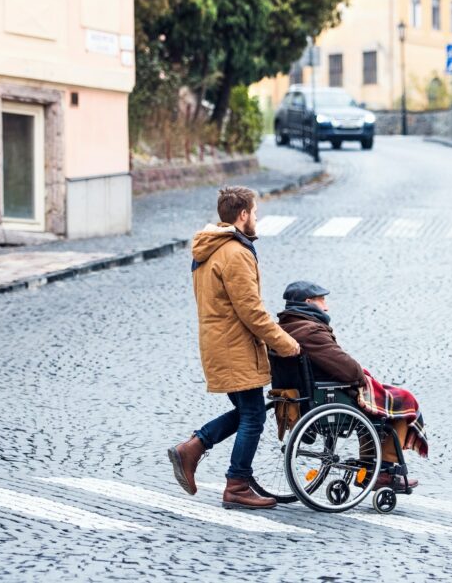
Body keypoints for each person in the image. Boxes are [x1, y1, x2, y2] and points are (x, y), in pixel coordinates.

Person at [168, 186, 300, 510]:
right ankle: (237, 483)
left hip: (220, 343)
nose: (257, 219)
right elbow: (251, 311)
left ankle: (194, 447)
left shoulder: (211, 248)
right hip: (234, 347)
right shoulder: (235, 253)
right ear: (243, 215)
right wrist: (287, 344)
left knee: (246, 411)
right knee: (254, 416)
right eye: (255, 213)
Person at [276, 281, 428, 490]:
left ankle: (371, 468)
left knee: (380, 407)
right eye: (322, 300)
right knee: (403, 401)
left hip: (307, 394)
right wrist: (361, 376)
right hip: (330, 395)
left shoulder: (284, 329)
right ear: (308, 302)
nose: (326, 306)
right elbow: (348, 370)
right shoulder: (310, 331)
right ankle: (382, 471)